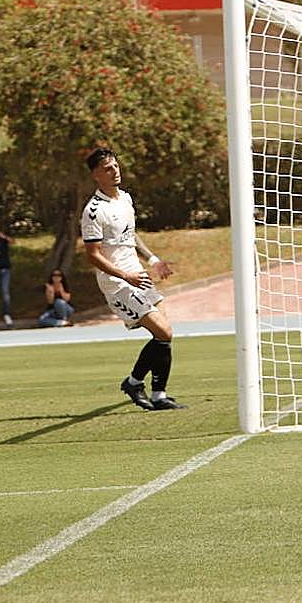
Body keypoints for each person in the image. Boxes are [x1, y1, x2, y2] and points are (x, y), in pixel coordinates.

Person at [81, 147, 186, 411]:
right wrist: (124, 274)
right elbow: (93, 255)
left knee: (165, 335)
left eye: (115, 166)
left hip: (138, 275)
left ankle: (157, 394)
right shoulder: (93, 211)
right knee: (163, 332)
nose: (114, 171)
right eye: (107, 168)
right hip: (117, 283)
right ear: (95, 175)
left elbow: (132, 236)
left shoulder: (125, 199)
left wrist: (153, 260)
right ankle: (134, 382)